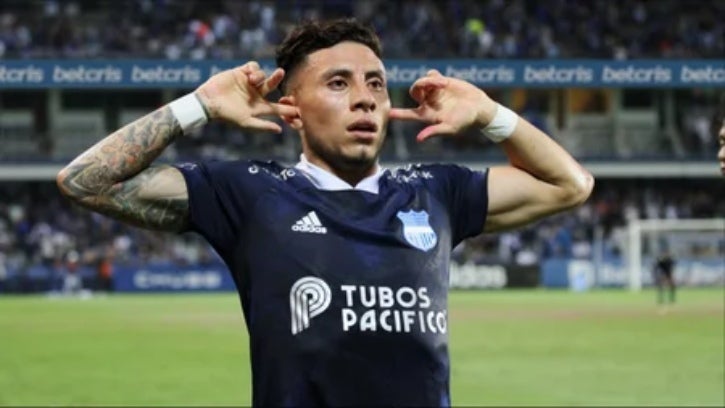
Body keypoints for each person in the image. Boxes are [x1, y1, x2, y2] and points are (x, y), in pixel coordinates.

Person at [56, 19, 594, 407]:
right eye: (339, 83)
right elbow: (84, 181)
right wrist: (196, 106)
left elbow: (570, 184)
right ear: (292, 110)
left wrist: (491, 114)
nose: (365, 98)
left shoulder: (436, 191)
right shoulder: (251, 192)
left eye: (375, 83)